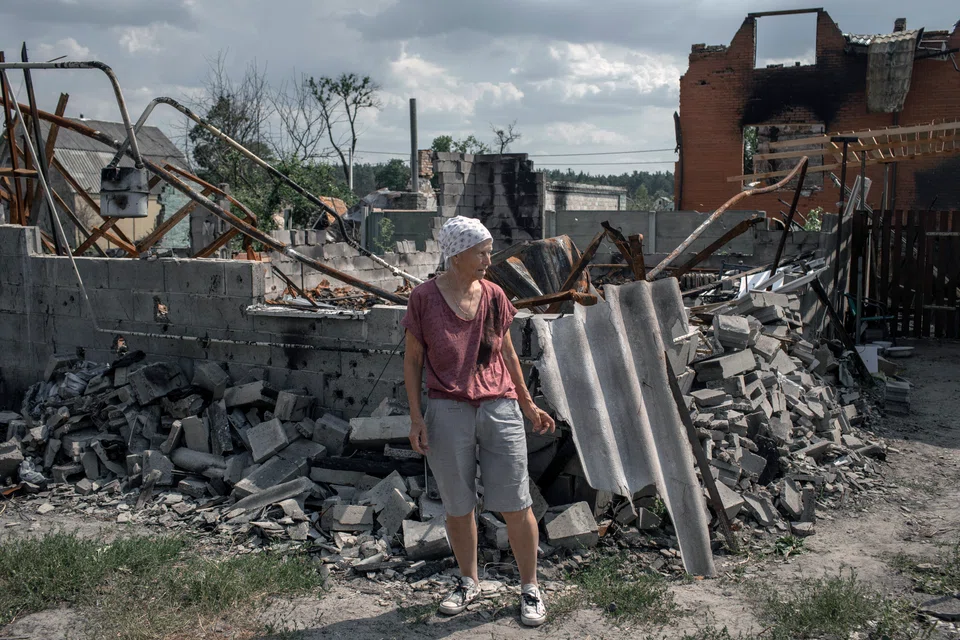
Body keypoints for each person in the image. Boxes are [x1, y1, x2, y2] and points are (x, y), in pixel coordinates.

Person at [401, 216, 556, 627]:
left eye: (489, 251)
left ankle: (530, 587)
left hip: (499, 407)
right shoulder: (424, 299)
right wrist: (416, 418)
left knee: (516, 502)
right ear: (456, 253)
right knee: (458, 504)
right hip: (447, 408)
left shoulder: (494, 295)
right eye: (482, 252)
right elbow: (413, 361)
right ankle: (469, 581)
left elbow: (507, 354)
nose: (489, 259)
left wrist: (527, 403)